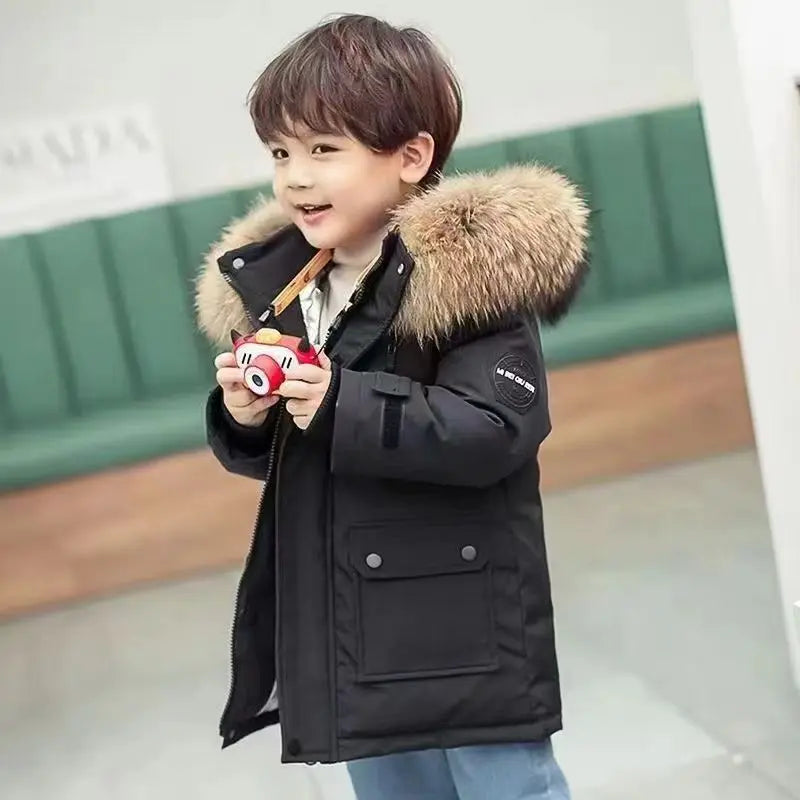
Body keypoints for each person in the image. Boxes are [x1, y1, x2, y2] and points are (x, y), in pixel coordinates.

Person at [195, 13, 588, 800]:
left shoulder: (470, 280)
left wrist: (339, 400)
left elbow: (494, 429)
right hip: (352, 633)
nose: (295, 177)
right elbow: (294, 450)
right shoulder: (284, 285)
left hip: (467, 632)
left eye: (324, 150)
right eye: (280, 152)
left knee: (507, 791)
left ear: (412, 156)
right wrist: (246, 415)